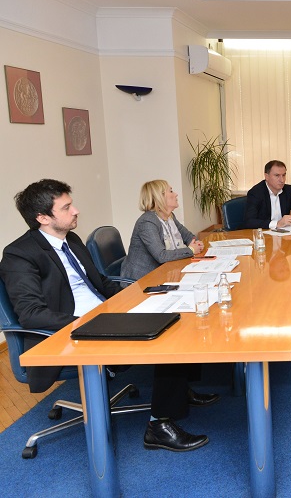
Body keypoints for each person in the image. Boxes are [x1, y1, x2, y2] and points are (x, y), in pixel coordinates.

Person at [0, 179, 214, 452]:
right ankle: (158, 427)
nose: (76, 210)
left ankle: (180, 392)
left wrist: (138, 295)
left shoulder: (71, 239)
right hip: (72, 331)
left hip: (106, 313)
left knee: (180, 312)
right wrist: (90, 322)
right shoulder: (19, 254)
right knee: (168, 338)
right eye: (66, 208)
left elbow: (100, 282)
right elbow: (31, 315)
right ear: (42, 218)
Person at [120, 180, 205, 281]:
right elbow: (161, 255)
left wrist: (195, 243)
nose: (176, 194)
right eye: (171, 191)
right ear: (160, 197)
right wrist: (191, 250)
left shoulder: (170, 216)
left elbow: (188, 236)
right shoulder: (147, 222)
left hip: (164, 272)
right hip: (141, 280)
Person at [244, 160, 291, 229]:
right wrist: (277, 224)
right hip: (265, 232)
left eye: (284, 175)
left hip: (285, 233)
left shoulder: (288, 190)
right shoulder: (256, 192)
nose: (282, 180)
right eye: (277, 175)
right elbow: (249, 222)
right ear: (267, 176)